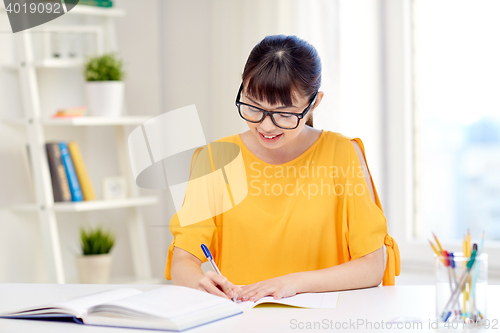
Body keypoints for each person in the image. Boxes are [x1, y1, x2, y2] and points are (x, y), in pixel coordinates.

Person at [165, 35, 400, 302]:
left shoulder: (343, 154)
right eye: (253, 107)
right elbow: (183, 260)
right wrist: (199, 283)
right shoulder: (215, 159)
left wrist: (293, 283)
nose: (266, 126)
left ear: (314, 103)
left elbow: (372, 265)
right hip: (239, 320)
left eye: (285, 114)